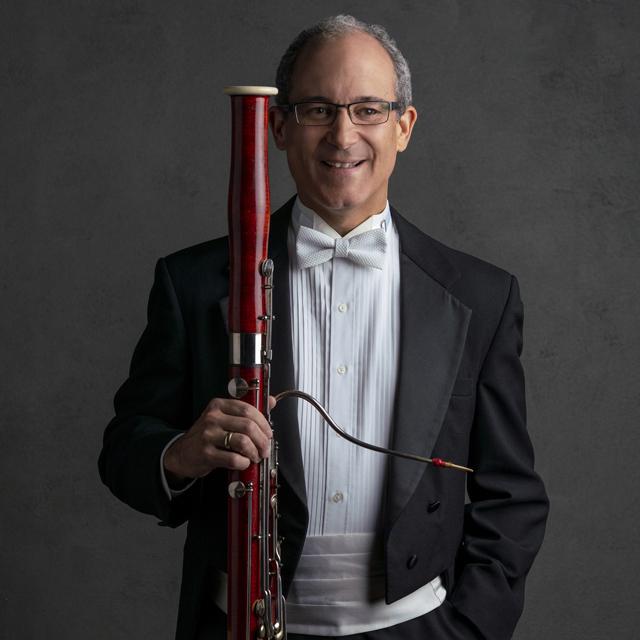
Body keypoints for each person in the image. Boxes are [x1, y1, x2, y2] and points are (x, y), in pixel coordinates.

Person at [99, 14, 548, 640]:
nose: (343, 135)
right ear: (278, 127)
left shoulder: (481, 295)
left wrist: (468, 628)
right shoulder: (196, 282)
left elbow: (512, 496)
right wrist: (182, 454)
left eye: (368, 109)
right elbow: (124, 450)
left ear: (404, 127)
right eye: (317, 109)